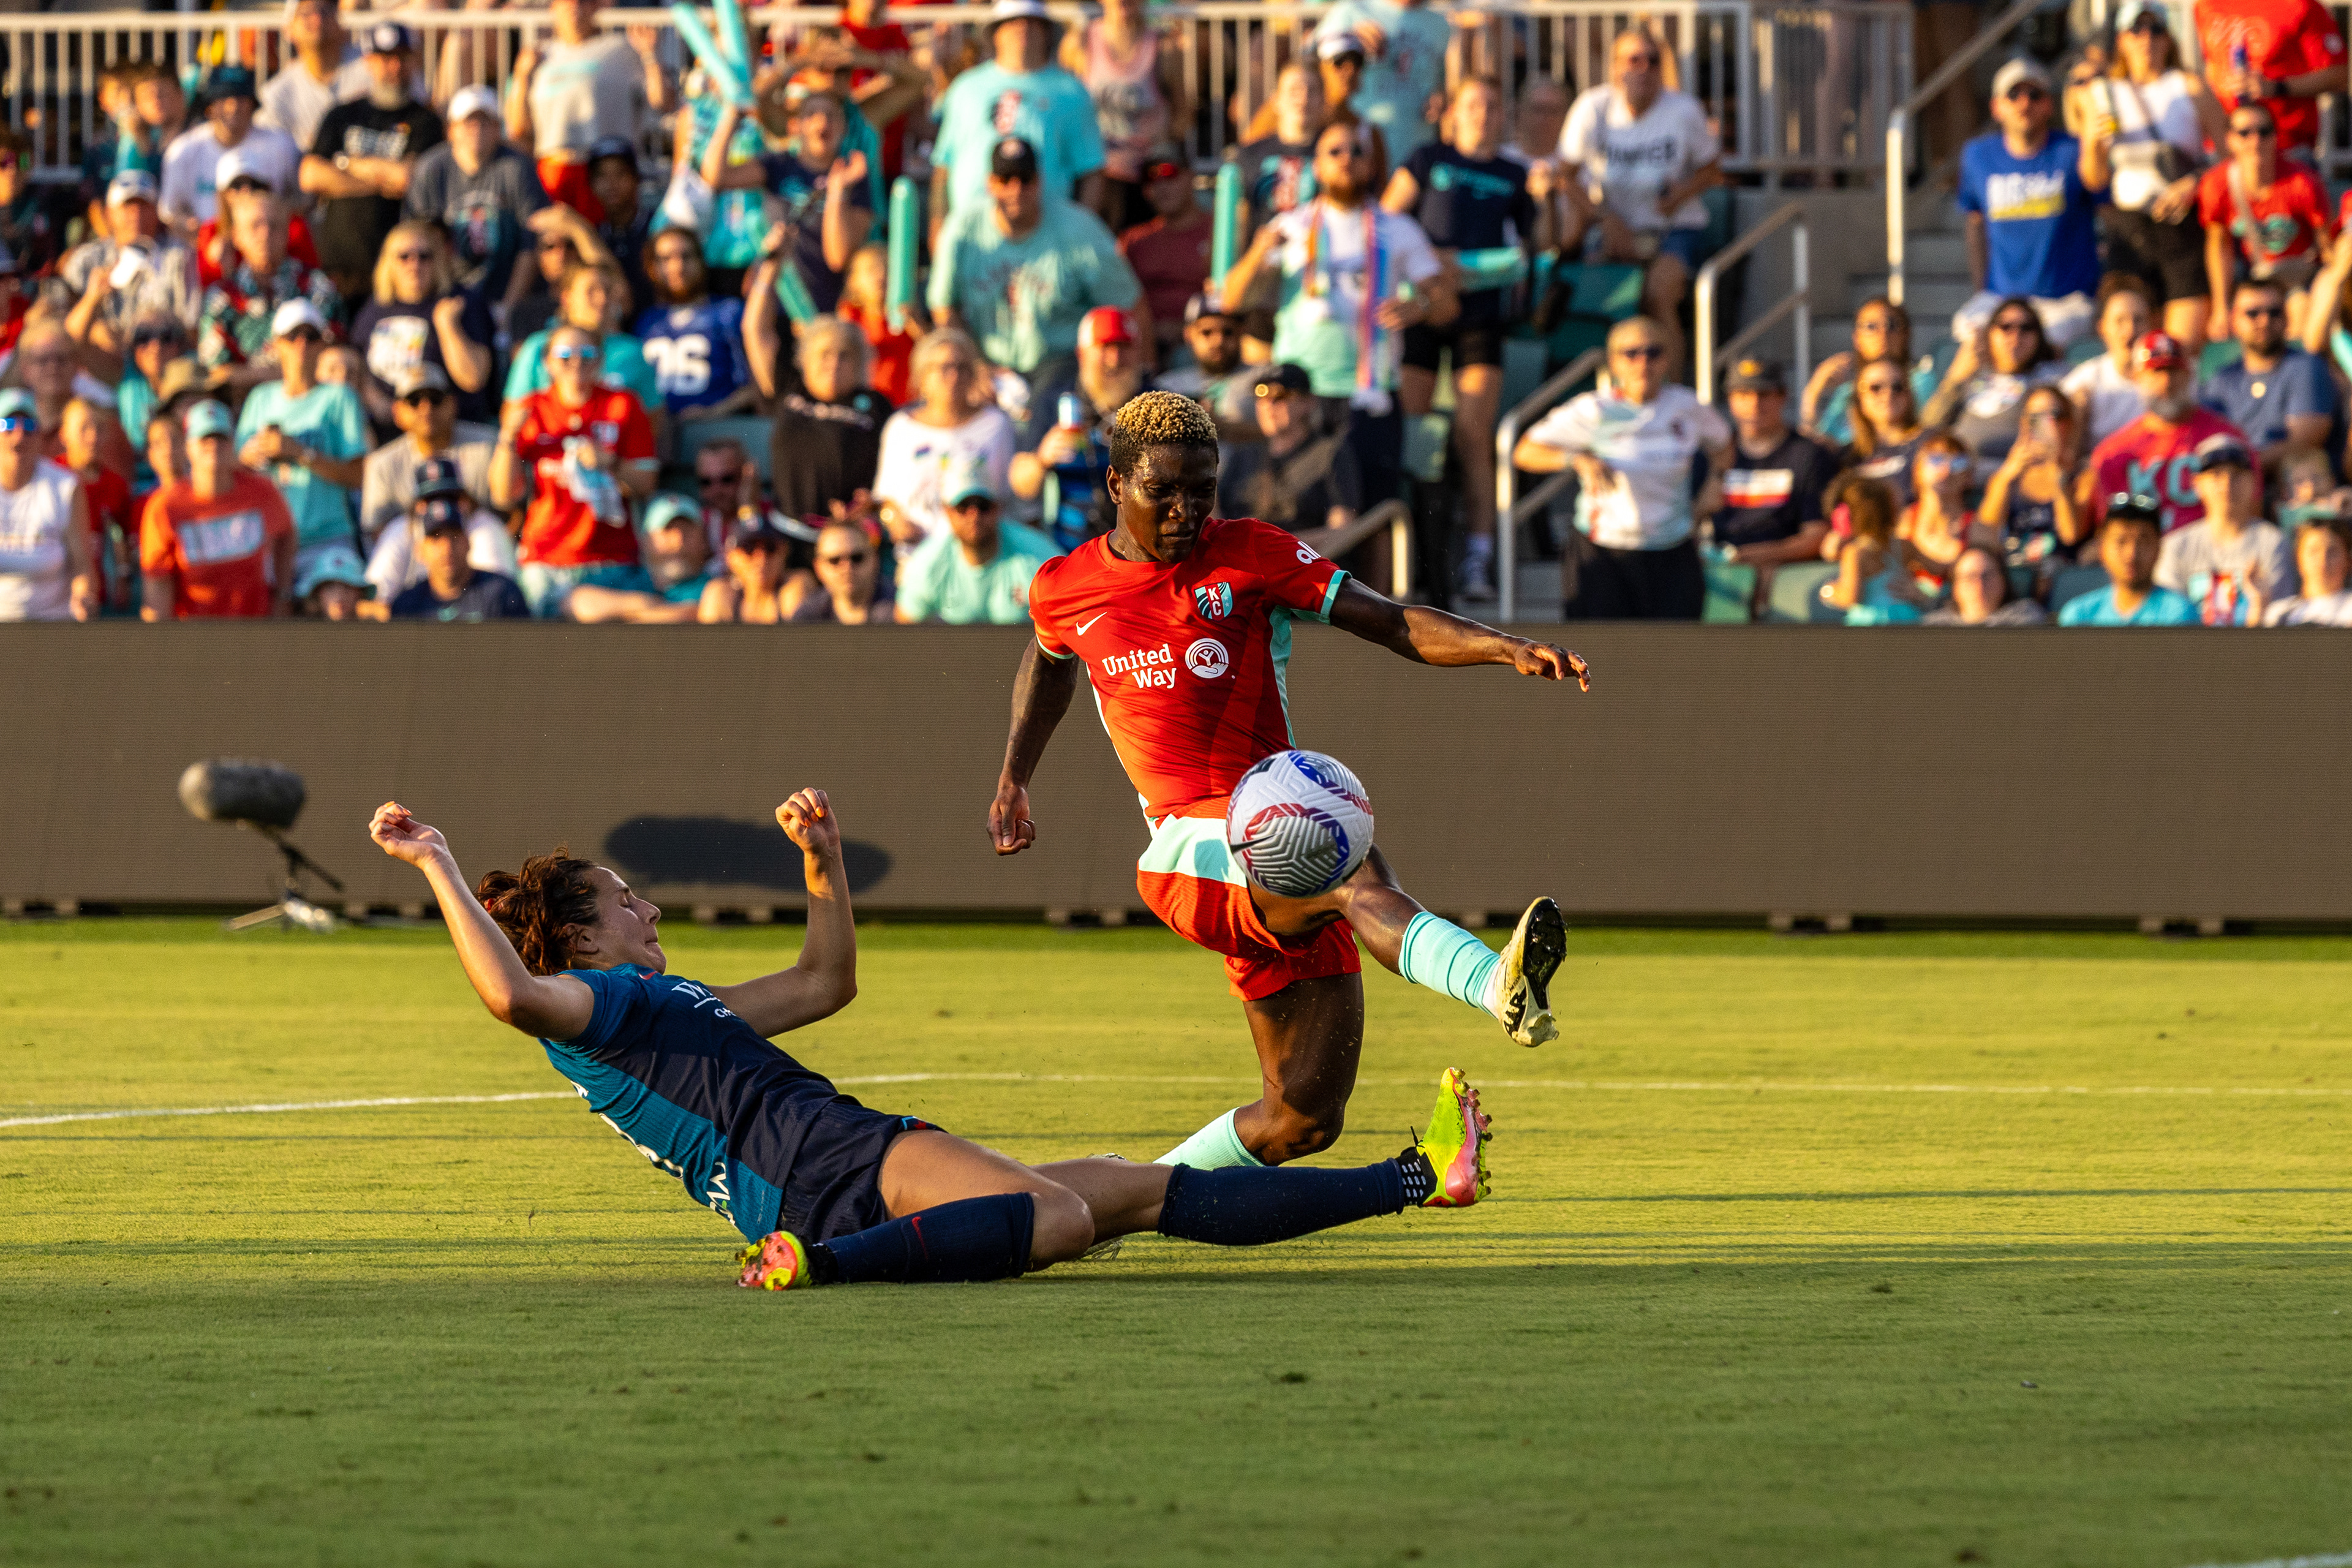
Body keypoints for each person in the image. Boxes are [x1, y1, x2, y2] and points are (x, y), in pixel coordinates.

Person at [364, 796, 1494, 1292]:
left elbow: (824, 983)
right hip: (817, 1172)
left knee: (1136, 1188)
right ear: (577, 937)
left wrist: (823, 865)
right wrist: (437, 863)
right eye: (624, 901)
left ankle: (1418, 1178)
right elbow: (511, 998)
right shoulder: (594, 1004)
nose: (647, 909)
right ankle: (825, 1265)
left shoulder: (661, 1008)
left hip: (831, 1157)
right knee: (1061, 1218)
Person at [991, 390, 1588, 1169]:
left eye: (1202, 490)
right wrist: (1015, 776)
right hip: (1187, 854)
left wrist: (1502, 646)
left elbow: (1389, 619)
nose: (1184, 511)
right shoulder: (1065, 586)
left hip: (1269, 835)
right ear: (1115, 484)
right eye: (1162, 491)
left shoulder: (1251, 553)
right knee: (1345, 863)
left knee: (1301, 1118)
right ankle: (1493, 983)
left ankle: (1132, 1193)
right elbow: (1048, 663)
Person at [1221, 119, 1453, 522]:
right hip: (1298, 398)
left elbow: (1447, 306)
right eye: (1335, 152)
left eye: (1357, 152)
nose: (1347, 159)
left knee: (1376, 518)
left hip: (1369, 397)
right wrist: (1259, 252)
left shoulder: (1398, 229)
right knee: (1296, 518)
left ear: (1371, 166)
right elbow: (1231, 301)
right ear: (1317, 167)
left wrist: (1420, 307)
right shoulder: (1290, 227)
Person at [1382, 75, 1550, 599]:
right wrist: (1432, 262)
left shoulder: (1515, 174)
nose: (1482, 114)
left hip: (1481, 318)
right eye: (1473, 104)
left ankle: (1479, 556)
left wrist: (1548, 201)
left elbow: (1542, 245)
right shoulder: (1427, 159)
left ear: (1504, 117)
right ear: (1453, 112)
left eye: (1493, 105)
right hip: (1421, 310)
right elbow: (1384, 223)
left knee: (1474, 434)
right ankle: (1409, 551)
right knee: (1409, 432)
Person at [1510, 315, 1732, 620]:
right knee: (1600, 647)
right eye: (1631, 354)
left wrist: (1716, 482)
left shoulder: (1687, 406)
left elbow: (1724, 446)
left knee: (1676, 646)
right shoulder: (1596, 409)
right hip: (1604, 548)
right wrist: (1576, 459)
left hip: (1673, 546)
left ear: (1667, 359)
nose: (1643, 363)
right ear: (1614, 363)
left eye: (1653, 352)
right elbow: (1525, 451)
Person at [929, 138, 1145, 441]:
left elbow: (1129, 303)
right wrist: (977, 367)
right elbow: (944, 307)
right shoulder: (963, 229)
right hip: (987, 361)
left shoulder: (1079, 229)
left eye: (1025, 180)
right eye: (1005, 180)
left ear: (1039, 182)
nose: (1016, 190)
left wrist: (1145, 374)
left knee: (1043, 430)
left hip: (1062, 363)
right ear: (990, 183)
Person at [1558, 29, 1724, 374]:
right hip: (1614, 227)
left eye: (1653, 61)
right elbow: (1565, 176)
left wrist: (1681, 194)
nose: (1644, 69)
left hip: (1675, 228)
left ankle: (1672, 391)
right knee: (1610, 299)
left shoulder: (1683, 110)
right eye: (1634, 60)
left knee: (1658, 295)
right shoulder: (1593, 107)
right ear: (1615, 67)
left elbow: (1712, 171)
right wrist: (1604, 217)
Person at [2073, 1, 2226, 350]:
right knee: (2131, 346)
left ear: (2169, 38)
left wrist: (2194, 184)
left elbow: (2230, 159)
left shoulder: (2190, 87)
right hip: (2130, 230)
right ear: (2122, 40)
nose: (2147, 40)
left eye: (2157, 30)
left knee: (2181, 348)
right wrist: (2094, 142)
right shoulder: (2103, 93)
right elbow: (2094, 179)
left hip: (2182, 227)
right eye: (2137, 30)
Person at [490, 324, 661, 617]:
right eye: (565, 355)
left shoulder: (623, 405)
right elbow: (503, 496)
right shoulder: (531, 410)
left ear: (600, 360)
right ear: (547, 363)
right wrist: (507, 438)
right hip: (546, 559)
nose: (577, 362)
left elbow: (647, 483)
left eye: (587, 354)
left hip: (613, 558)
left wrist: (610, 463)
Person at [1954, 58, 2102, 349]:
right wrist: (1981, 289)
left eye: (2035, 95)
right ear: (1997, 107)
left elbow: (2108, 211)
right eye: (2014, 95)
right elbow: (1975, 225)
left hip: (2065, 302)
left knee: (2038, 341)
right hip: (2001, 300)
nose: (2025, 103)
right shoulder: (1977, 156)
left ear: (2049, 105)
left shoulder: (2073, 151)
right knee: (1969, 332)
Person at [300, 23, 446, 311]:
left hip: (395, 272)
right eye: (385, 59)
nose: (395, 67)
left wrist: (346, 165)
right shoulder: (343, 114)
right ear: (369, 62)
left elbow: (405, 178)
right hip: (338, 269)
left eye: (402, 58)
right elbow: (311, 175)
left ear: (414, 61)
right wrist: (379, 181)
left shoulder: (425, 121)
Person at [930, 0, 1104, 225]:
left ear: (1047, 33)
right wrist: (938, 227)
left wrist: (1079, 230)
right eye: (1011, 22)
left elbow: (1091, 171)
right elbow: (943, 167)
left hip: (1047, 232)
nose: (1023, 28)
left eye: (1032, 22)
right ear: (995, 33)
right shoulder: (965, 88)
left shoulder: (1072, 92)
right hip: (972, 231)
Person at [705, 87, 874, 318]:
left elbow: (839, 258)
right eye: (812, 114)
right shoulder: (779, 164)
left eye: (831, 115)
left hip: (825, 311)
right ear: (795, 127)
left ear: (844, 127)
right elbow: (717, 178)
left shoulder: (854, 177)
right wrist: (732, 115)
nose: (822, 122)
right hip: (774, 304)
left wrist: (838, 192)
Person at [233, 300, 369, 581]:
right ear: (276, 345)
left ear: (322, 345)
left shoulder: (340, 397)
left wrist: (299, 453)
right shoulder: (260, 399)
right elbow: (236, 470)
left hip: (328, 539)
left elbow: (358, 476)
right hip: (270, 540)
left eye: (311, 336)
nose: (302, 344)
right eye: (292, 336)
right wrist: (250, 456)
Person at [508, 0, 671, 225]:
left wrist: (651, 56)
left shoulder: (622, 49)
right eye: (565, 2)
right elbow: (518, 129)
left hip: (606, 173)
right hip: (554, 172)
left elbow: (662, 102)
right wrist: (521, 77)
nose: (574, 7)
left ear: (596, 6)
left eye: (583, 2)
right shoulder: (538, 57)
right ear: (553, 7)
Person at [138, 399, 297, 620]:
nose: (213, 445)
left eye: (221, 437)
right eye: (204, 438)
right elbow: (158, 586)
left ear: (232, 443)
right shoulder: (165, 507)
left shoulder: (262, 492)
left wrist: (282, 595)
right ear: (188, 446)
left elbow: (287, 534)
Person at [2084, 330, 2255, 535]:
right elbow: (2109, 532)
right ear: (2137, 379)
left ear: (2189, 375)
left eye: (2174, 371)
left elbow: (2249, 518)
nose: (2167, 382)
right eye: (2156, 372)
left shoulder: (2228, 441)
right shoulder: (2112, 454)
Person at [361, 371, 511, 603]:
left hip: (470, 538)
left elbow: (513, 512)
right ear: (398, 411)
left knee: (487, 527)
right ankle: (378, 606)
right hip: (419, 545)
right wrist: (421, 519)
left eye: (435, 399)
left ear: (453, 404)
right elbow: (376, 530)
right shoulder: (381, 463)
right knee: (397, 531)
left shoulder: (487, 445)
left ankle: (501, 602)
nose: (426, 408)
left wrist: (464, 510)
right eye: (414, 401)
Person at [1011, 306, 1148, 551]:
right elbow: (1021, 485)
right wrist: (1042, 459)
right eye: (1105, 347)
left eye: (1124, 347)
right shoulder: (1056, 399)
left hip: (1141, 549)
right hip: (1071, 550)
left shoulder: (1155, 402)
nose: (1115, 359)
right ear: (1082, 354)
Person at [404, 86, 552, 306]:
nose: (477, 128)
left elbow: (531, 244)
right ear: (451, 130)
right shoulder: (430, 170)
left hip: (507, 296)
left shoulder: (517, 167)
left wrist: (508, 309)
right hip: (447, 298)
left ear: (498, 129)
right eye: (468, 122)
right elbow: (416, 242)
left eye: (486, 121)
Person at [872, 328, 1019, 551]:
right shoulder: (900, 428)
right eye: (944, 368)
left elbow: (1008, 495)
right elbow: (885, 497)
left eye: (962, 368)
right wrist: (894, 521)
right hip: (917, 553)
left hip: (980, 553)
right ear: (922, 376)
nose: (954, 376)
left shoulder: (996, 425)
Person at [2198, 101, 2332, 336]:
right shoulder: (2217, 184)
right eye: (2244, 133)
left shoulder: (2303, 182)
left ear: (2275, 137)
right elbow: (2218, 246)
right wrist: (2221, 307)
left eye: (2264, 131)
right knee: (2239, 319)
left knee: (2299, 310)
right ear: (2230, 140)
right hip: (2252, 281)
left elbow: (2327, 248)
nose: (2255, 141)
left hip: (2298, 279)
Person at [52, 172, 202, 381]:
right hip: (103, 371)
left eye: (144, 206)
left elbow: (193, 331)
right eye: (127, 206)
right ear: (109, 213)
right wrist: (93, 299)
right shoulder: (86, 261)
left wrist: (142, 339)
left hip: (168, 365)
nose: (136, 214)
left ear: (156, 212)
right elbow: (65, 339)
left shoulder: (181, 257)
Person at [350, 221, 496, 429]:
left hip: (452, 430)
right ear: (388, 262)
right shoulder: (374, 308)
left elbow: (474, 378)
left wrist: (448, 326)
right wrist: (375, 400)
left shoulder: (461, 302)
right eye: (404, 257)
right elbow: (356, 364)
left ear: (439, 260)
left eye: (424, 256)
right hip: (388, 432)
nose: (415, 265)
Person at [500, 258, 663, 435]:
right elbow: (513, 416)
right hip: (548, 448)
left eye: (608, 290)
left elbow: (652, 422)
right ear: (567, 298)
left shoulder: (631, 351)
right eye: (591, 291)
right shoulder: (538, 347)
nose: (602, 299)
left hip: (611, 450)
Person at [1065, 0, 1188, 233]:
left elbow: (1183, 114)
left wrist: (1162, 143)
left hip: (1145, 171)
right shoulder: (1080, 43)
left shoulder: (1164, 47)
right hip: (1097, 167)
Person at [195, 192, 343, 385]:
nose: (265, 235)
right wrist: (292, 373)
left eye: (274, 226)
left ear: (288, 232)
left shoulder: (317, 286)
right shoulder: (222, 297)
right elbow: (217, 374)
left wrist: (249, 375)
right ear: (237, 236)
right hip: (243, 401)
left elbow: (334, 360)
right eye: (255, 226)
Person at [895, 454, 1057, 624]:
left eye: (982, 505)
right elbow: (905, 624)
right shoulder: (928, 564)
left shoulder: (1040, 560)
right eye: (963, 506)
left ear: (997, 508)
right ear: (947, 512)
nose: (974, 516)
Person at [2199, 277, 2337, 477]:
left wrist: (2239, 467)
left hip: (2288, 484)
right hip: (2232, 484)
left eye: (2274, 312)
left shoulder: (2307, 367)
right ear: (2234, 320)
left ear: (2287, 318)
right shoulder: (2221, 379)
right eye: (2252, 313)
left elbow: (2305, 443)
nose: (2265, 321)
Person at [1707, 358, 1836, 571]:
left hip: (1788, 573)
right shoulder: (1713, 455)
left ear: (1783, 396)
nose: (1754, 404)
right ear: (1730, 400)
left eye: (1764, 394)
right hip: (1722, 571)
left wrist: (1749, 557)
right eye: (1743, 394)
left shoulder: (1809, 455)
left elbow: (1816, 536)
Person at [2155, 432, 2296, 622]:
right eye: (2216, 475)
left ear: (2253, 482)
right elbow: (2168, 620)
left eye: (2236, 475)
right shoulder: (2175, 547)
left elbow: (2279, 618)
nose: (2227, 484)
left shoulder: (2273, 543)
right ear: (2197, 484)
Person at [765, 315, 889, 522]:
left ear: (859, 362)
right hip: (787, 528)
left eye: (845, 355)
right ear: (805, 359)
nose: (834, 363)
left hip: (848, 531)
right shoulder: (789, 390)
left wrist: (872, 502)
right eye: (825, 354)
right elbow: (756, 331)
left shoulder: (877, 406)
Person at [160, 67, 300, 248]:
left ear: (253, 105)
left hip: (268, 247)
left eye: (241, 99)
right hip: (201, 250)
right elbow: (170, 215)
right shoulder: (182, 151)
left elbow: (302, 202)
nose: (233, 107)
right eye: (223, 99)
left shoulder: (282, 145)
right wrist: (203, 238)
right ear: (209, 107)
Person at [2192, 0, 2345, 162]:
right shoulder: (2206, 5)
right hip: (2224, 145)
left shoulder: (2300, 6)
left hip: (2285, 146)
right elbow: (2212, 67)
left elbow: (2339, 75)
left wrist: (2276, 87)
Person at [1923, 296, 2069, 466]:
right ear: (1990, 333)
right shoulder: (1968, 379)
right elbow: (1928, 429)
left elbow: (2043, 451)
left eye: (2027, 328)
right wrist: (1955, 378)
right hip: (1955, 472)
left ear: (2039, 337)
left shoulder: (2048, 381)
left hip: (2009, 474)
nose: (2016, 335)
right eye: (2006, 327)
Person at [1215, 361, 1361, 529]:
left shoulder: (1331, 453)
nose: (1268, 405)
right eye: (1261, 397)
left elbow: (1341, 528)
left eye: (1280, 396)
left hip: (1302, 545)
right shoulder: (1244, 454)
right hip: (1242, 544)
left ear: (1308, 402)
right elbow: (1214, 511)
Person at [635, 226, 755, 423]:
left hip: (719, 428)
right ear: (652, 268)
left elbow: (756, 385)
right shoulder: (646, 322)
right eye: (666, 259)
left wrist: (713, 412)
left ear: (701, 261)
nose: (678, 267)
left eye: (687, 256)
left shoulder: (729, 313)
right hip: (660, 431)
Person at [1314, 0, 1456, 165]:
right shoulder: (1351, 11)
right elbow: (1309, 66)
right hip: (1359, 156)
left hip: (1416, 155)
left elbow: (1441, 82)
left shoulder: (1441, 25)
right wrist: (1349, 41)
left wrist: (1441, 98)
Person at [0, 390, 96, 623]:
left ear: (40, 436)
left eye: (29, 426)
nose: (19, 436)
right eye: (8, 425)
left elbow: (82, 565)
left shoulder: (64, 487)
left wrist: (83, 597)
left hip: (54, 625)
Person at [383, 470, 530, 622]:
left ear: (469, 542)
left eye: (454, 536)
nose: (447, 548)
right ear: (420, 550)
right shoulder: (406, 607)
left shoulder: (503, 594)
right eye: (436, 538)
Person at [1118, 151, 1213, 365]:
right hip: (1143, 345)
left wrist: (1184, 328)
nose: (1162, 186)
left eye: (1170, 174)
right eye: (1151, 180)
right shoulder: (1134, 242)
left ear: (1190, 176)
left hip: (1202, 343)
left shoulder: (1219, 231)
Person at [1980, 383, 2090, 568]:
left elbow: (2070, 535)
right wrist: (2007, 476)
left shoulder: (2083, 477)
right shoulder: (2006, 477)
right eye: (2035, 417)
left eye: (2054, 415)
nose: (2045, 424)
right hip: (2015, 573)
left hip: (2061, 574)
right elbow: (1984, 534)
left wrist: (2058, 471)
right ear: (2024, 424)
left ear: (2068, 423)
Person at [568, 495, 720, 624]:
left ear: (704, 541)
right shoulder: (625, 576)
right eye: (667, 531)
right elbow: (578, 602)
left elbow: (691, 615)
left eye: (687, 532)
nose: (678, 542)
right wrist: (644, 603)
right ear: (645, 541)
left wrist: (620, 615)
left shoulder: (712, 586)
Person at [2056, 491, 2201, 622]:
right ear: (2102, 548)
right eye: (2121, 541)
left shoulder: (2180, 614)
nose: (2131, 553)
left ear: (2159, 548)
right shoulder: (2079, 616)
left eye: (2143, 542)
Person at [259, 0, 369, 157]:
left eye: (326, 11)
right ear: (289, 29)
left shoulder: (372, 67)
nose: (318, 19)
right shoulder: (278, 93)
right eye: (306, 13)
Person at [1802, 300, 1917, 447]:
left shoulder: (1920, 381)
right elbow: (1820, 446)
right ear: (1857, 338)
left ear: (1906, 334)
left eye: (1892, 325)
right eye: (1871, 326)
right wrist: (1813, 392)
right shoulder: (1847, 391)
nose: (1883, 333)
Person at [1232, 62, 1324, 244]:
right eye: (1294, 90)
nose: (1303, 98)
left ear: (1324, 100)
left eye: (1312, 91)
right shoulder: (1249, 155)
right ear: (1276, 100)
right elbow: (1237, 222)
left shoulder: (1337, 153)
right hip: (1264, 255)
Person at [2062, 273, 2157, 445]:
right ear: (2102, 328)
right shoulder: (2086, 381)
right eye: (2120, 321)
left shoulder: (2173, 377)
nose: (2130, 330)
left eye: (2139, 320)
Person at [1822, 475, 1929, 624]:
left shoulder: (1855, 553)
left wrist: (1829, 592)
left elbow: (1850, 598)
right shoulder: (1904, 546)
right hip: (1907, 618)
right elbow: (1941, 568)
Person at [1156, 293, 1257, 448]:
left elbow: (1284, 432)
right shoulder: (1165, 387)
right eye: (1207, 332)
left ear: (1242, 332)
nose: (1218, 341)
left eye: (1228, 332)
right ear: (1188, 335)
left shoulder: (1265, 379)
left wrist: (1219, 427)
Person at [1838, 356, 1933, 514]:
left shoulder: (1930, 443)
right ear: (1859, 398)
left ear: (1909, 394)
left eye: (1898, 387)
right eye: (1875, 388)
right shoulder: (1847, 456)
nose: (1888, 394)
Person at [585, 138, 656, 322]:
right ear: (591, 184)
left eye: (620, 174)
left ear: (636, 178)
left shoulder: (658, 226)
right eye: (602, 176)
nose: (611, 184)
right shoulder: (595, 236)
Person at [835, 243, 914, 409]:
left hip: (905, 404)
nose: (881, 274)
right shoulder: (851, 315)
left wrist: (916, 324)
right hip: (865, 405)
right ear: (853, 281)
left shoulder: (908, 316)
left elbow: (928, 349)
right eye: (872, 269)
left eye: (888, 268)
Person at [699, 513, 802, 624]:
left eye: (770, 548)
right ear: (730, 556)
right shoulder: (720, 595)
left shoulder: (794, 589)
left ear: (784, 552)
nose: (761, 559)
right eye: (749, 549)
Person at [793, 518, 895, 624]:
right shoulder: (808, 617)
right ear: (819, 568)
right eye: (835, 560)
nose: (847, 568)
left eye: (857, 558)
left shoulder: (901, 608)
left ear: (875, 559)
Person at [1924, 541, 2051, 624]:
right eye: (1970, 577)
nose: (1980, 585)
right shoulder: (1934, 626)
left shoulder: (2027, 616)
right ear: (1955, 587)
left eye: (1987, 575)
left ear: (2003, 581)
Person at [2256, 516, 2352, 624]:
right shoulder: (2277, 612)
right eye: (2314, 551)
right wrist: (2258, 604)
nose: (2323, 561)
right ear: (2297, 558)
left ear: (2348, 561)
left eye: (2332, 552)